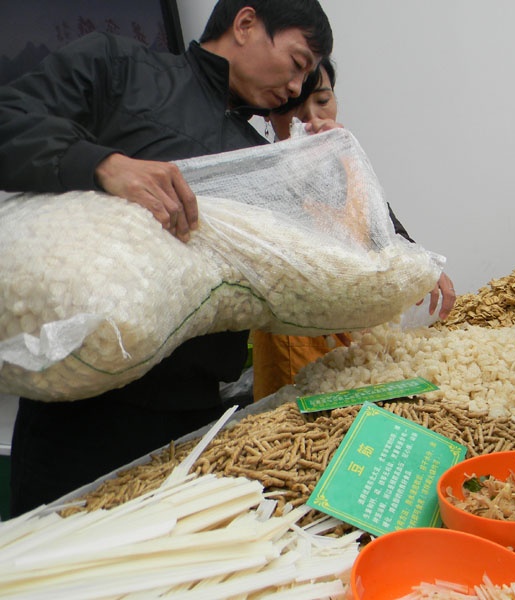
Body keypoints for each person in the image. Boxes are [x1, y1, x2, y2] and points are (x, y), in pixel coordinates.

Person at [0, 0, 333, 516]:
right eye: (296, 63)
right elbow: (8, 120)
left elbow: (319, 252)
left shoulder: (256, 154)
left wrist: (332, 171)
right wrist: (104, 165)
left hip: (192, 415)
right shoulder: (119, 69)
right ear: (246, 24)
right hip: (79, 415)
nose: (295, 89)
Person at [250, 58, 458, 401]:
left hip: (358, 341)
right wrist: (302, 165)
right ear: (269, 112)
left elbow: (381, 222)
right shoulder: (260, 173)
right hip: (298, 343)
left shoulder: (347, 159)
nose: (313, 119)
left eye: (323, 100)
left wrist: (422, 265)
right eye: (294, 107)